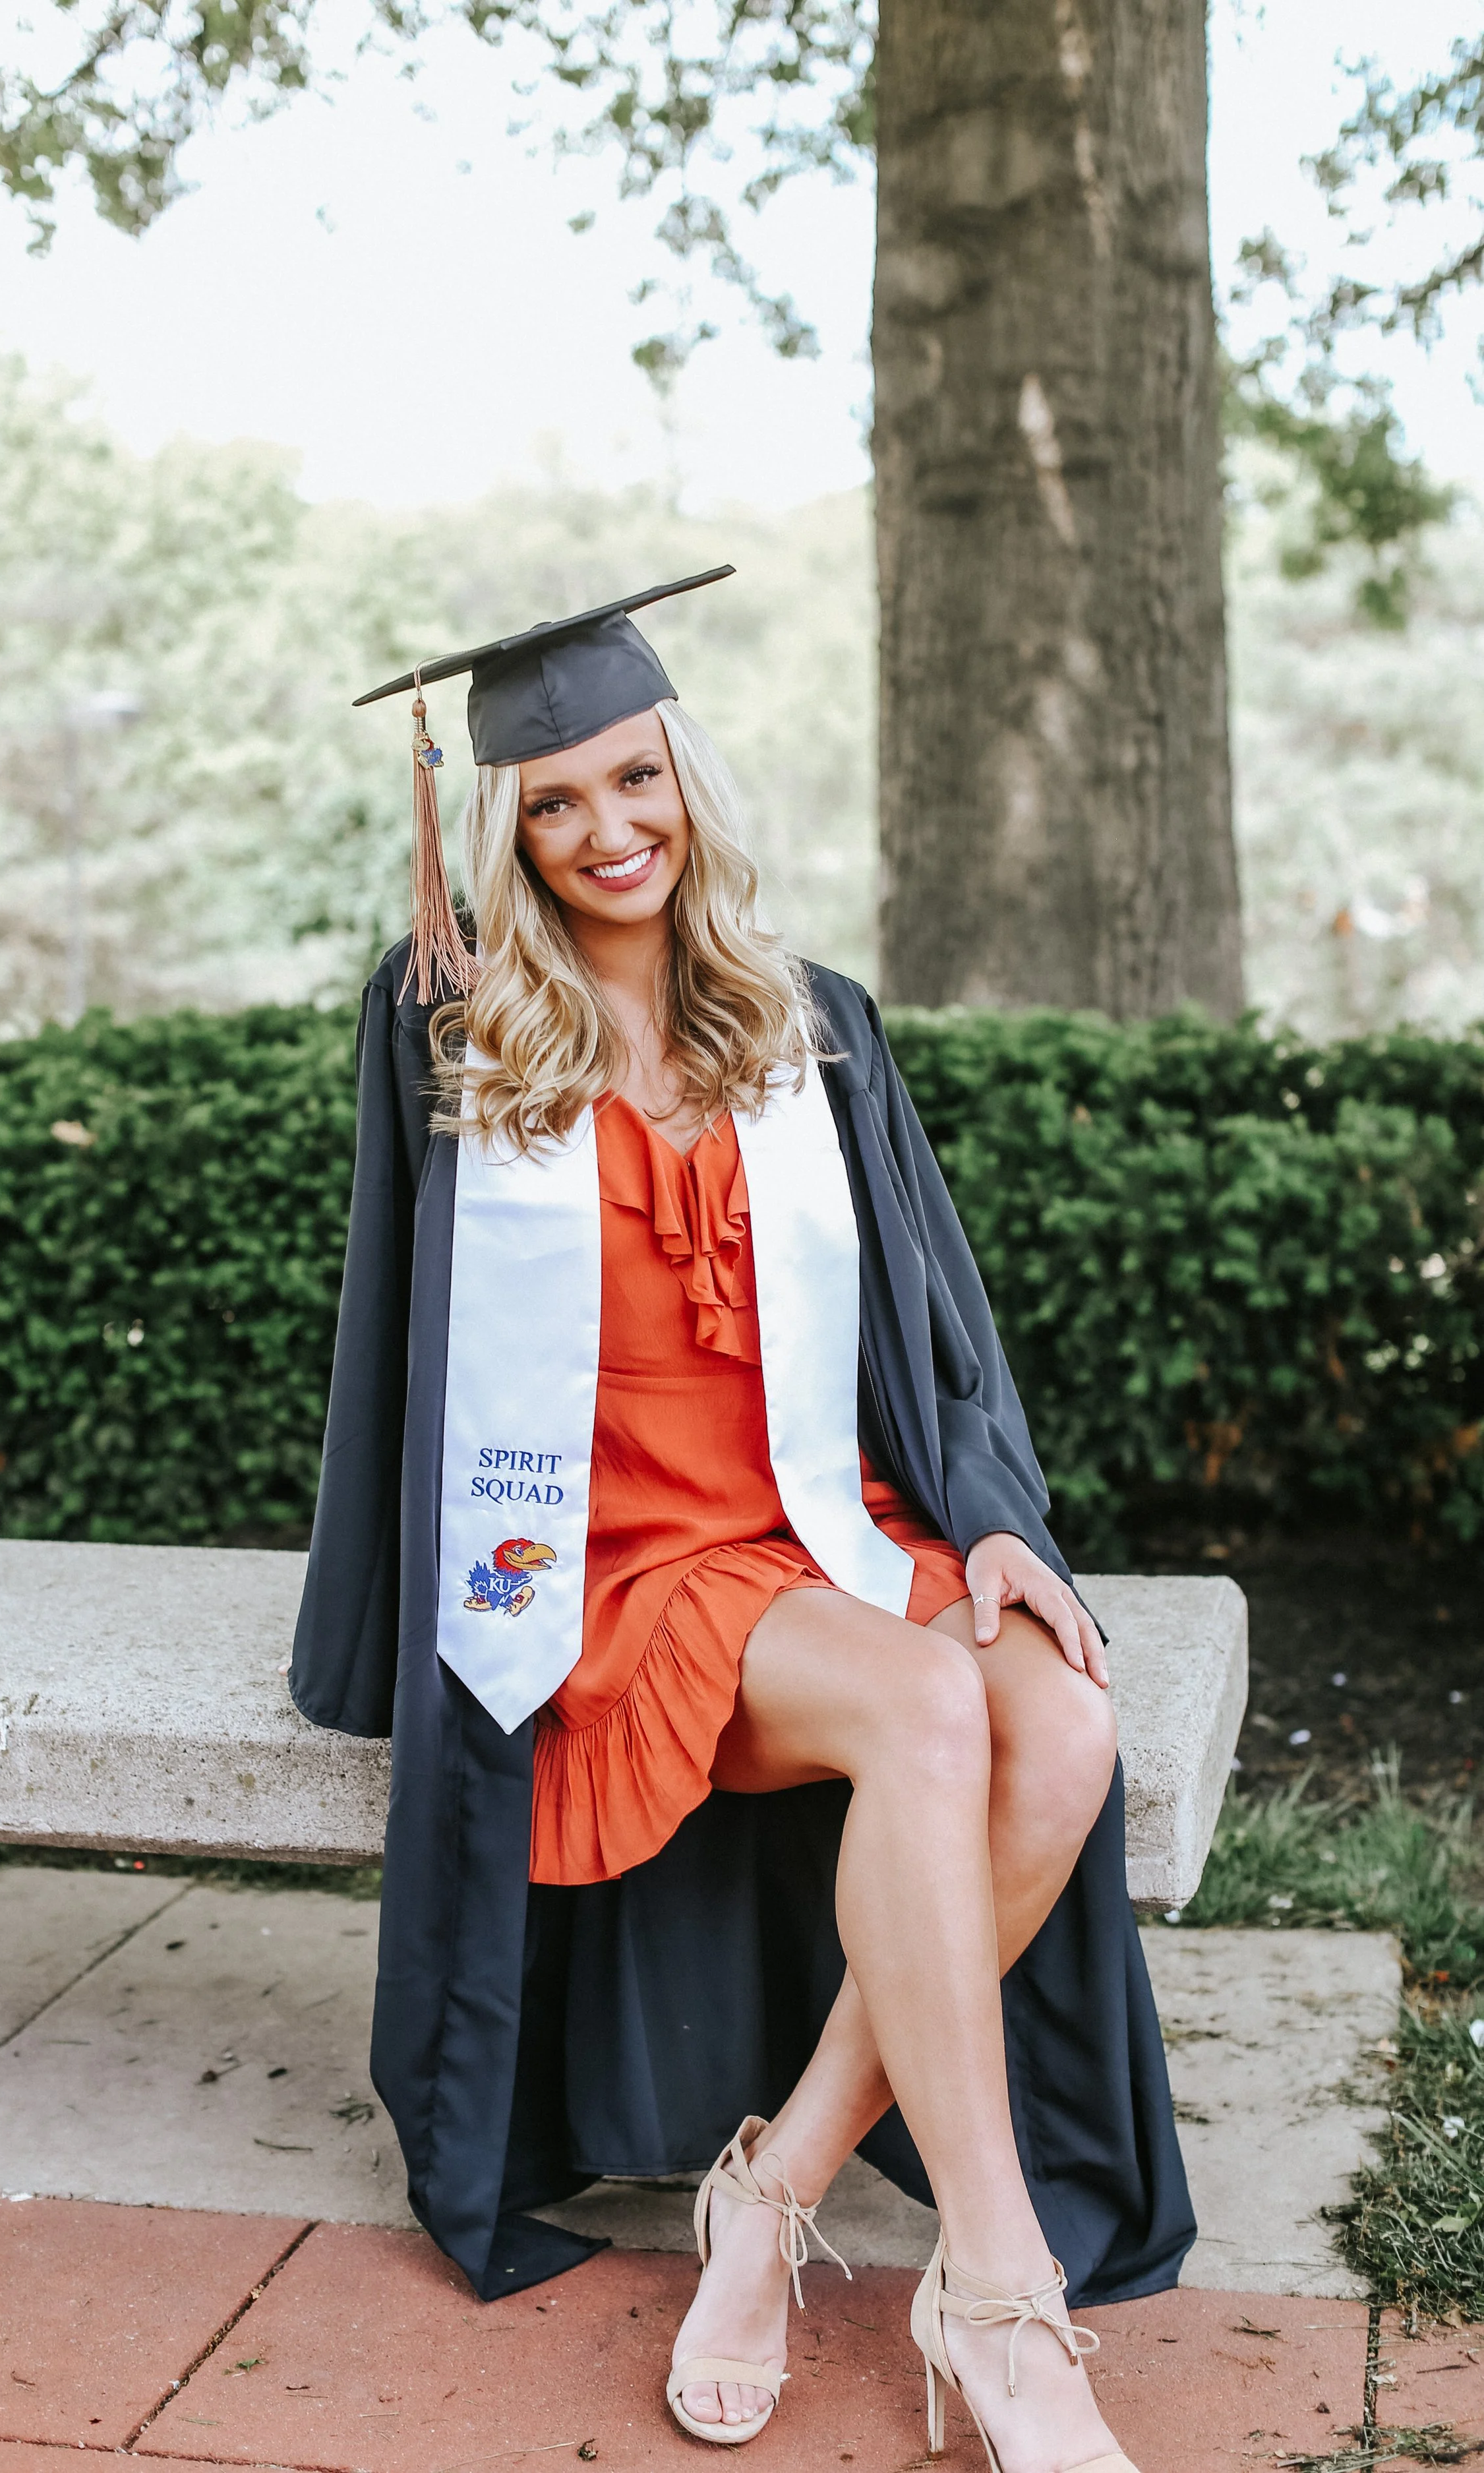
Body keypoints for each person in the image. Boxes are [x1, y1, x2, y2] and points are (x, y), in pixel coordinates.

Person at [289, 571, 1192, 2467]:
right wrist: (380, 1622)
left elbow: (931, 1326)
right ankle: (1000, 2292)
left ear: (686, 778)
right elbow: (395, 1330)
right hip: (611, 1558)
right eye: (553, 800)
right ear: (501, 830)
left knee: (1066, 1719)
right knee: (935, 1708)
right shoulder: (453, 1028)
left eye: (636, 781)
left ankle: (771, 2190)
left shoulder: (814, 1026)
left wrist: (997, 1516)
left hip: (825, 1526)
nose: (606, 831)